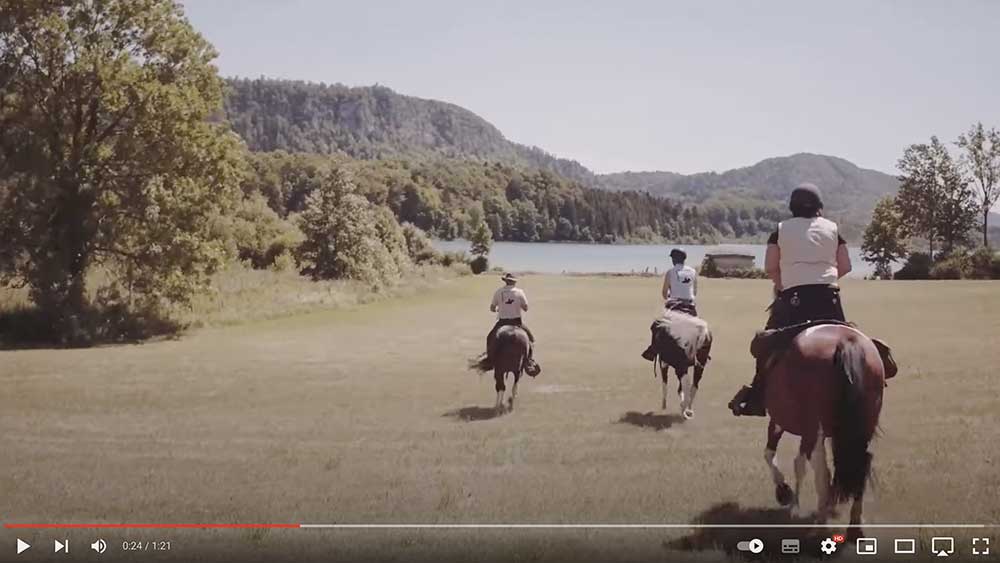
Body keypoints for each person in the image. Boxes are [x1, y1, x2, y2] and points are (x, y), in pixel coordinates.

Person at [728, 183, 852, 416]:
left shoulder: (780, 230)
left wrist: (785, 284)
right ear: (819, 207)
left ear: (793, 207)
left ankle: (756, 398)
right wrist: (825, 280)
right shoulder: (834, 229)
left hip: (794, 300)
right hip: (829, 298)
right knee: (849, 344)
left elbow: (770, 267)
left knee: (767, 345)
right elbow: (845, 266)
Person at [641, 248, 698, 361]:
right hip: (690, 306)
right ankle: (699, 353)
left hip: (674, 305)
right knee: (698, 329)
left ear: (674, 259)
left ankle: (653, 351)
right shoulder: (693, 272)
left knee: (656, 326)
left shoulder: (670, 272)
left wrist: (670, 297)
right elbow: (695, 292)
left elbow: (664, 293)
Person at [487, 273, 540, 374]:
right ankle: (528, 361)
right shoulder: (520, 292)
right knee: (531, 339)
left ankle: (490, 360)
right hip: (516, 322)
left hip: (502, 322)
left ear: (505, 281)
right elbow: (526, 308)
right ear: (514, 282)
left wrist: (498, 309)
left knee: (489, 338)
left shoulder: (498, 291)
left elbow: (492, 308)